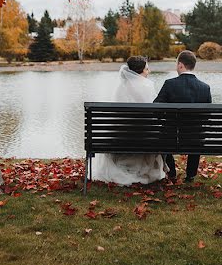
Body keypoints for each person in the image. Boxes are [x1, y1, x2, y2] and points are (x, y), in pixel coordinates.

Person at [90, 56, 168, 185]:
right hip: (144, 137)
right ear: (141, 71)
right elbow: (154, 114)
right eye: (147, 69)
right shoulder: (147, 86)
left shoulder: (120, 87)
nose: (148, 72)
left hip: (121, 136)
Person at [154, 50, 212, 182]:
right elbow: (206, 116)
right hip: (195, 139)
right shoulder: (205, 88)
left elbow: (156, 109)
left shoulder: (169, 84)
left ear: (180, 65)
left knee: (164, 134)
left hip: (171, 137)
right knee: (197, 132)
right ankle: (190, 174)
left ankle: (172, 172)